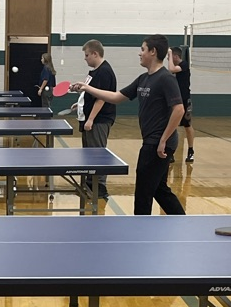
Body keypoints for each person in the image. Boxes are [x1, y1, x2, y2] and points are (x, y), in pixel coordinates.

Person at [72, 34, 185, 216]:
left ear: (153, 52)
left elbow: (178, 109)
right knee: (159, 189)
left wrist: (163, 140)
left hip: (157, 143)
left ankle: (139, 231)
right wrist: (87, 88)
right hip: (152, 140)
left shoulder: (165, 78)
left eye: (142, 49)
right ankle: (182, 220)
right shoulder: (143, 79)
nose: (139, 53)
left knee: (143, 192)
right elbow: (116, 97)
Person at [77, 40, 117, 202]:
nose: (85, 59)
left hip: (99, 121)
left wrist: (91, 119)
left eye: (87, 55)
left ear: (95, 53)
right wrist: (80, 104)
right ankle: (89, 184)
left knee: (97, 154)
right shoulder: (94, 72)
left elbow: (101, 99)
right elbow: (91, 95)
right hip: (90, 119)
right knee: (89, 154)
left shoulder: (104, 72)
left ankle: (100, 188)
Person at [167, 46, 195, 162]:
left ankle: (190, 150)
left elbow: (171, 69)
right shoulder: (176, 67)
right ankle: (171, 152)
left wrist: (169, 54)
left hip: (184, 100)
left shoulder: (183, 65)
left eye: (170, 56)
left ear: (175, 56)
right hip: (175, 100)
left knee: (187, 125)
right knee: (172, 125)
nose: (168, 59)